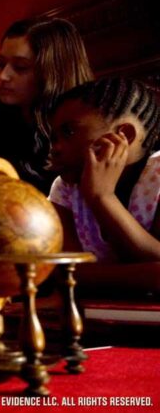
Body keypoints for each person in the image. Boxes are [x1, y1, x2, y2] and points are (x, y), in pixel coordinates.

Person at [48, 77, 160, 296]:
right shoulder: (64, 190)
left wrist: (102, 197)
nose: (55, 148)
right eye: (54, 138)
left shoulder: (157, 175)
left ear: (124, 135)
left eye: (69, 132)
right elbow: (65, 274)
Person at [0, 17, 93, 194]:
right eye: (1, 64)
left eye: (20, 67)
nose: (3, 76)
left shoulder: (84, 133)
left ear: (53, 73)